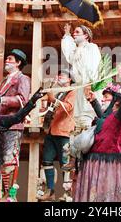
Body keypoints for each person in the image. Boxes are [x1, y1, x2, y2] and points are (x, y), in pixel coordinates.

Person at [74, 68, 121, 202]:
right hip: (96, 164)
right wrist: (94, 101)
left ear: (116, 100)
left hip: (114, 164)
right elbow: (104, 118)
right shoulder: (109, 117)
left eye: (106, 97)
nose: (103, 99)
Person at [0, 49, 31, 196]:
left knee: (9, 159)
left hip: (13, 124)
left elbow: (23, 100)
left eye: (10, 59)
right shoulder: (4, 81)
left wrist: (3, 101)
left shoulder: (23, 78)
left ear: (18, 63)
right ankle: (1, 192)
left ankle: (9, 195)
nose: (7, 61)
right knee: (0, 159)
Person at [37, 69, 76, 202]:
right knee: (46, 161)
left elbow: (69, 107)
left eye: (62, 75)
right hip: (52, 131)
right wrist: (51, 90)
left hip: (64, 132)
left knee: (65, 163)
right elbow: (49, 101)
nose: (59, 76)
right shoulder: (59, 92)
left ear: (70, 79)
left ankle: (67, 193)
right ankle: (50, 191)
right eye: (58, 74)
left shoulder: (73, 91)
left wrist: (53, 99)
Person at [61, 23, 101, 134]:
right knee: (78, 118)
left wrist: (89, 82)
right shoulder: (76, 50)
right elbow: (68, 53)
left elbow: (94, 65)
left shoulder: (92, 47)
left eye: (77, 32)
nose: (75, 34)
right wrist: (67, 34)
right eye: (74, 32)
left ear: (86, 36)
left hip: (89, 85)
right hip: (79, 87)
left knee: (88, 115)